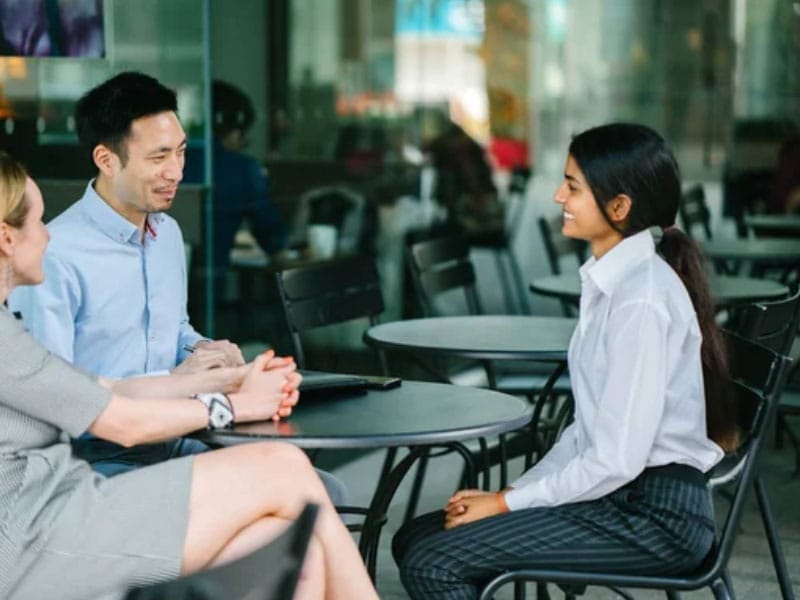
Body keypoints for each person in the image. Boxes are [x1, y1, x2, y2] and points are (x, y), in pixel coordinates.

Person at [0, 150, 378, 600]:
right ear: (7, 237)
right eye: (40, 222)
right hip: (33, 541)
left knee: (296, 549)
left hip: (68, 509)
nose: (48, 235)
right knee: (282, 464)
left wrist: (225, 381)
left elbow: (111, 391)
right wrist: (235, 406)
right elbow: (123, 422)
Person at [392, 123, 738, 599]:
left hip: (657, 520)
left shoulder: (641, 299)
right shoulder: (612, 284)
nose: (558, 196)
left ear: (620, 207)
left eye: (573, 186)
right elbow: (585, 432)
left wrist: (508, 503)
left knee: (434, 562)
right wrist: (510, 498)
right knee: (417, 538)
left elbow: (616, 458)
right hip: (623, 495)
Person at [8, 72, 345, 505]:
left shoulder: (166, 234)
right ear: (107, 160)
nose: (176, 172)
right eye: (159, 157)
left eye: (181, 152)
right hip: (93, 463)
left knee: (323, 490)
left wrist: (207, 351)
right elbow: (59, 404)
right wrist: (187, 383)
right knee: (288, 505)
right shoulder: (52, 255)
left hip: (176, 438)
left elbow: (174, 329)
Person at [183, 80, 288, 299]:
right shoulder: (242, 168)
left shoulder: (164, 161)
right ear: (234, 130)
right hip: (210, 292)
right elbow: (271, 234)